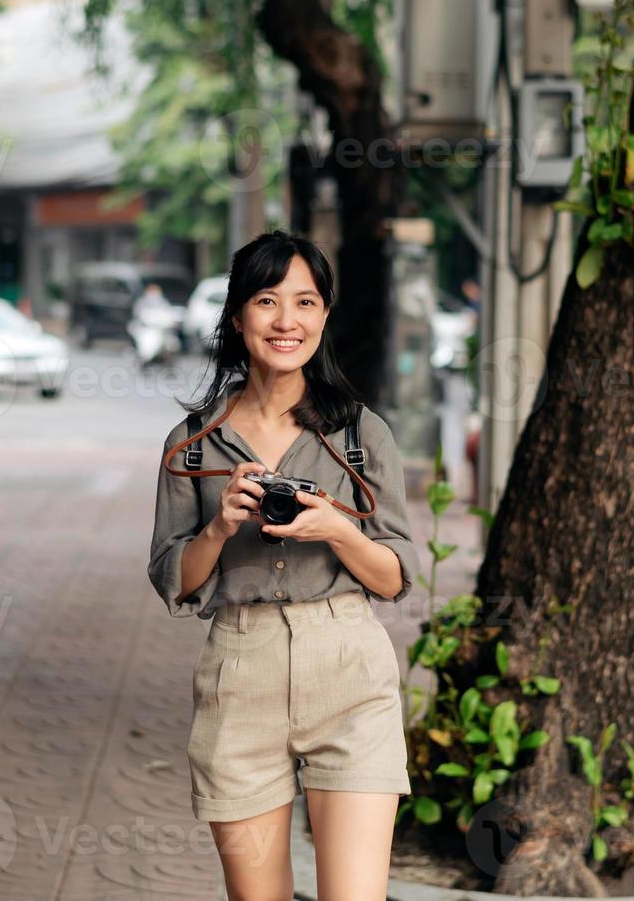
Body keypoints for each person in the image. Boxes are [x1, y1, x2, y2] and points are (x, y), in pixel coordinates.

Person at [148, 230, 421, 900]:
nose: (286, 321)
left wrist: (336, 529)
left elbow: (393, 578)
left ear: (324, 316)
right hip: (240, 674)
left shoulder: (360, 435)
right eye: (267, 301)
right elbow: (174, 582)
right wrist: (219, 525)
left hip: (348, 667)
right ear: (238, 317)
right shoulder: (193, 443)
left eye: (305, 301)